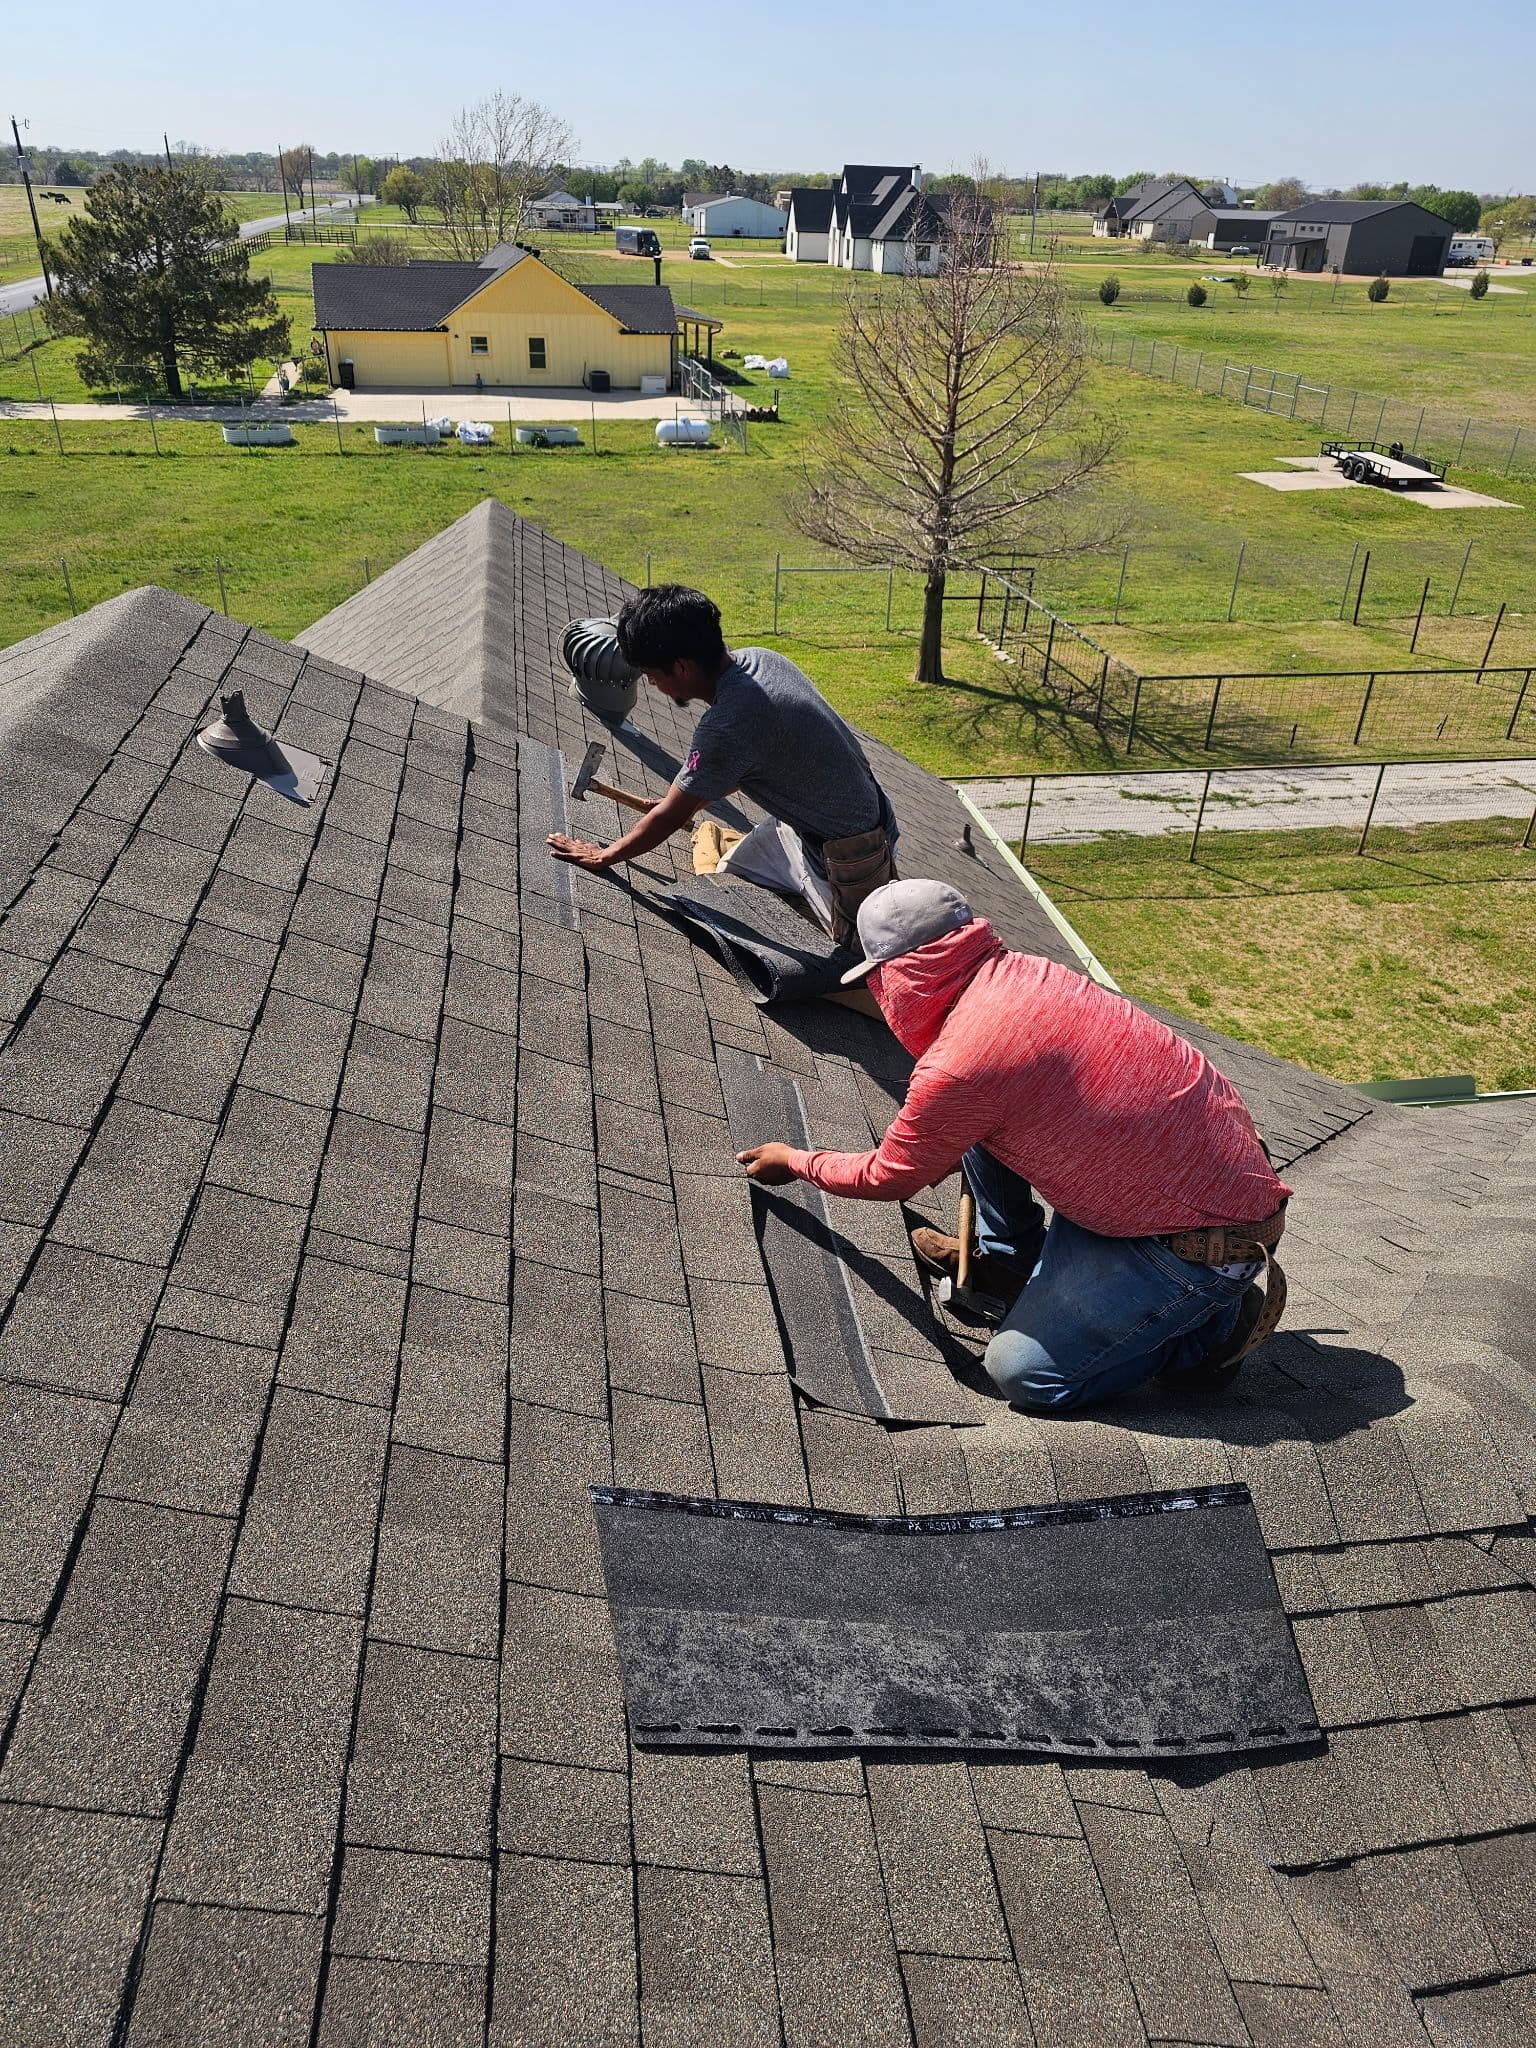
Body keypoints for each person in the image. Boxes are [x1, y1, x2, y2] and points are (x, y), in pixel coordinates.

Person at [736, 879, 1291, 1412]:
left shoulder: (962, 1064)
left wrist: (798, 1161)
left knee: (1024, 1374)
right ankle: (1007, 1265)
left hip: (1198, 1249)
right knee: (976, 1125)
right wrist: (940, 1140)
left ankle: (1208, 1334)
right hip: (1184, 1193)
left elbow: (891, 1177)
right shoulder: (1029, 975)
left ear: (902, 975)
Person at [546, 584, 897, 944]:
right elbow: (746, 762)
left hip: (854, 858)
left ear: (681, 667)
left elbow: (667, 817)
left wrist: (604, 856)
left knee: (860, 963)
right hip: (830, 819)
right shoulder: (761, 659)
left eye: (651, 673)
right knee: (730, 878)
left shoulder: (728, 725)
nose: (649, 682)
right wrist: (693, 798)